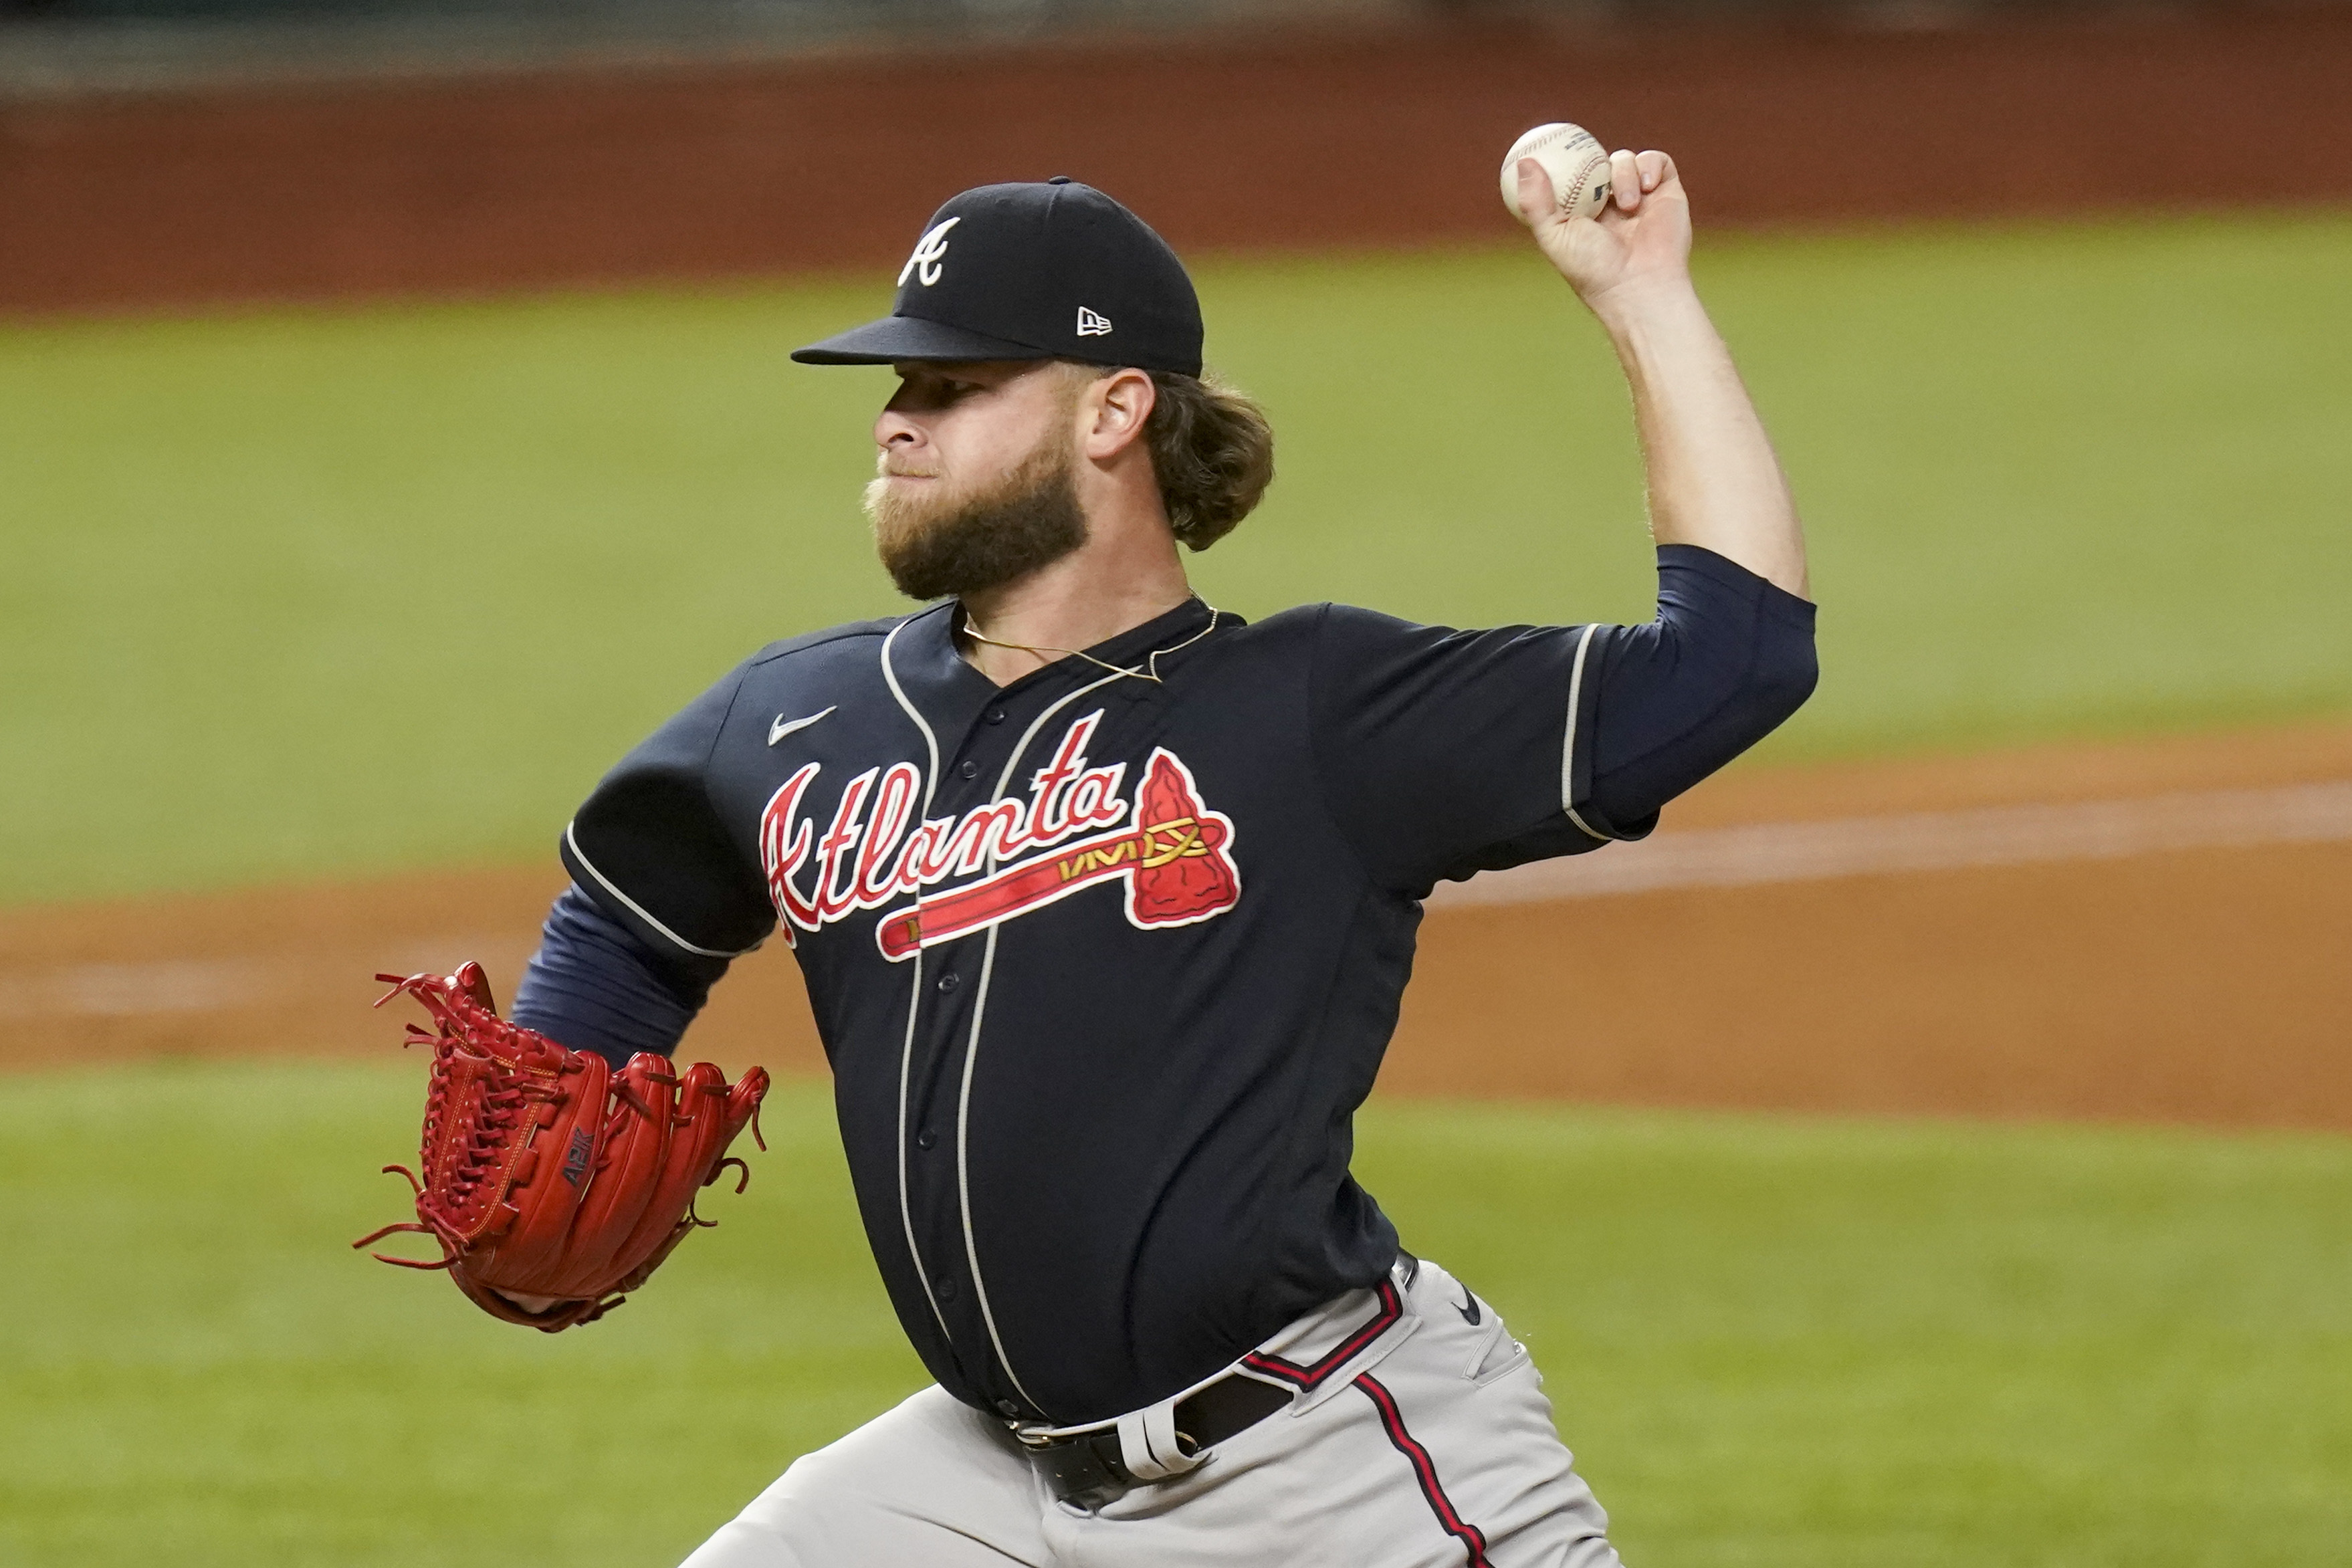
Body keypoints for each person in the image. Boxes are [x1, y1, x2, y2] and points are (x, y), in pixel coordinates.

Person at [507, 154, 1816, 1565]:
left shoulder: (1315, 711)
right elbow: (630, 913)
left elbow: (1731, 664)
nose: (894, 422)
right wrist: (559, 1084)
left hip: (1321, 1466)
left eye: (952, 388)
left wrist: (1642, 299)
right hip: (983, 1476)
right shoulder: (794, 719)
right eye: (894, 387)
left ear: (1113, 410)